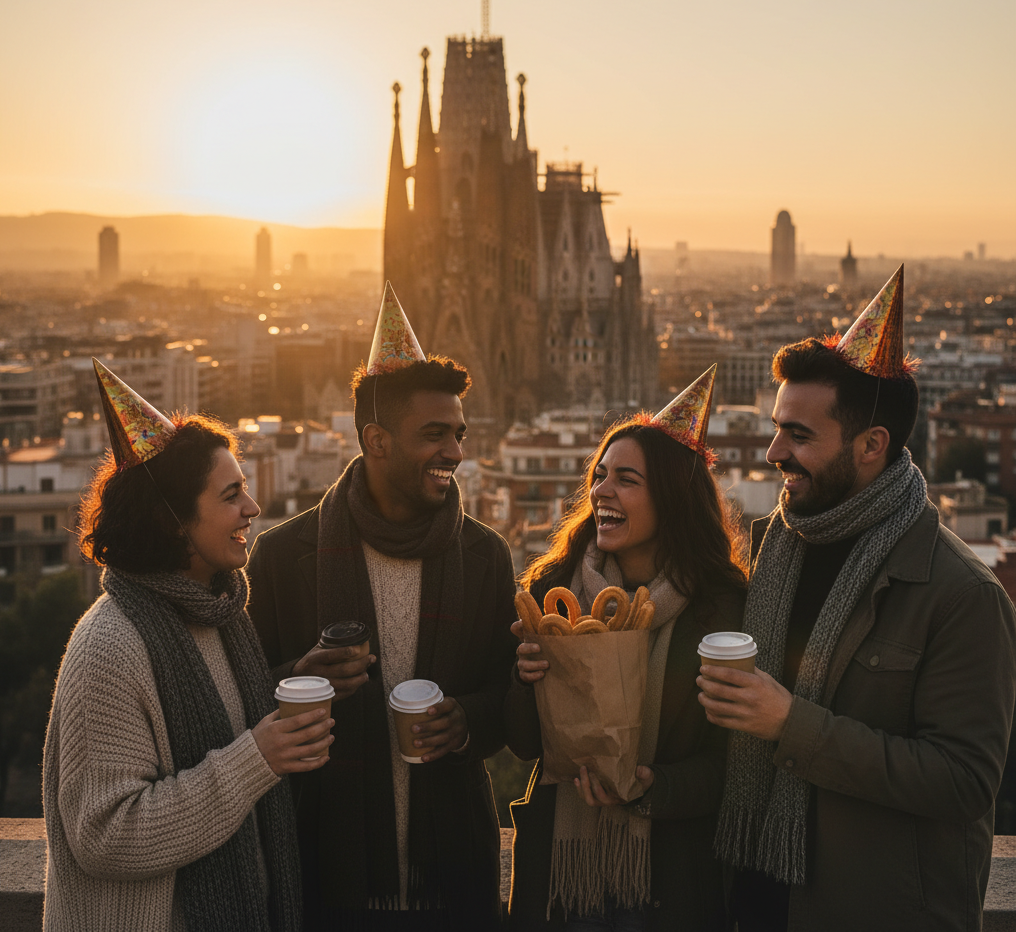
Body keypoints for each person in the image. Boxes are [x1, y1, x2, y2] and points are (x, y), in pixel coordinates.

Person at [699, 266, 1016, 932]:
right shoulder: (772, 550)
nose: (772, 450)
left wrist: (791, 724)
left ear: (872, 446)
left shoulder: (962, 595)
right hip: (757, 896)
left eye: (799, 436)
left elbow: (963, 782)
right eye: (777, 427)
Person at [247, 283, 517, 931]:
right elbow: (235, 706)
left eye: (458, 433)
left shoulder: (486, 558)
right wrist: (297, 678)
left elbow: (512, 697)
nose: (454, 451)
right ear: (376, 440)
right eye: (434, 434)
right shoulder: (284, 558)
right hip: (323, 873)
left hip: (450, 876)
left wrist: (468, 721)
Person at [43, 360, 328, 932]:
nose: (252, 509)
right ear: (173, 521)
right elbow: (105, 834)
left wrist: (296, 676)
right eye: (231, 495)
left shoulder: (220, 612)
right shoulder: (111, 646)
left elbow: (217, 727)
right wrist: (258, 758)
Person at [505, 366, 747, 932]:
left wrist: (651, 788)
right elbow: (521, 743)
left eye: (627, 480)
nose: (601, 492)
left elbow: (734, 765)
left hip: (669, 877)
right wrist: (524, 679)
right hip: (563, 878)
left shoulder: (722, 612)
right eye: (601, 474)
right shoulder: (552, 591)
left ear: (672, 499)